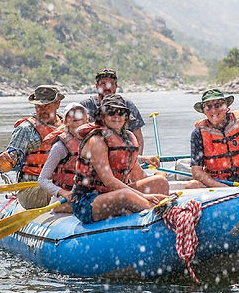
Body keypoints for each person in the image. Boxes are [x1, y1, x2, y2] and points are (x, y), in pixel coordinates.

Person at [71, 94, 170, 224]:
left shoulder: (127, 139)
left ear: (126, 117)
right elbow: (109, 181)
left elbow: (137, 173)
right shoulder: (96, 140)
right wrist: (144, 196)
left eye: (121, 112)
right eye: (111, 112)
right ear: (102, 116)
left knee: (160, 181)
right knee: (126, 195)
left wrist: (150, 190)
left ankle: (159, 218)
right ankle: (163, 217)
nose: (116, 116)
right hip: (87, 201)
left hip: (113, 193)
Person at [0, 85, 64, 209]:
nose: (42, 110)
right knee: (63, 193)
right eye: (39, 106)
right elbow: (7, 165)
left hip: (60, 183)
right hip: (32, 189)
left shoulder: (68, 125)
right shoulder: (25, 129)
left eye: (47, 106)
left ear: (57, 104)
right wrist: (4, 160)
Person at [187, 88, 239, 188]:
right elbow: (197, 172)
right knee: (192, 185)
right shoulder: (198, 134)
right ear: (204, 111)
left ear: (226, 107)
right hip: (219, 184)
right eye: (208, 107)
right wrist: (222, 187)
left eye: (218, 105)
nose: (213, 110)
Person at [79, 68, 147, 156]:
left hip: (123, 157)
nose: (107, 87)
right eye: (103, 83)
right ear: (97, 86)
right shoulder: (85, 106)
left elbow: (138, 138)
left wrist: (137, 160)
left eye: (110, 83)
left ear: (116, 86)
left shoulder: (128, 105)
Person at [35, 102, 88, 213]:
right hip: (63, 201)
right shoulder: (60, 147)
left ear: (86, 119)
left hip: (86, 197)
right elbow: (42, 180)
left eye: (80, 115)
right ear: (65, 122)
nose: (76, 117)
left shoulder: (95, 142)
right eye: (72, 116)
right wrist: (63, 193)